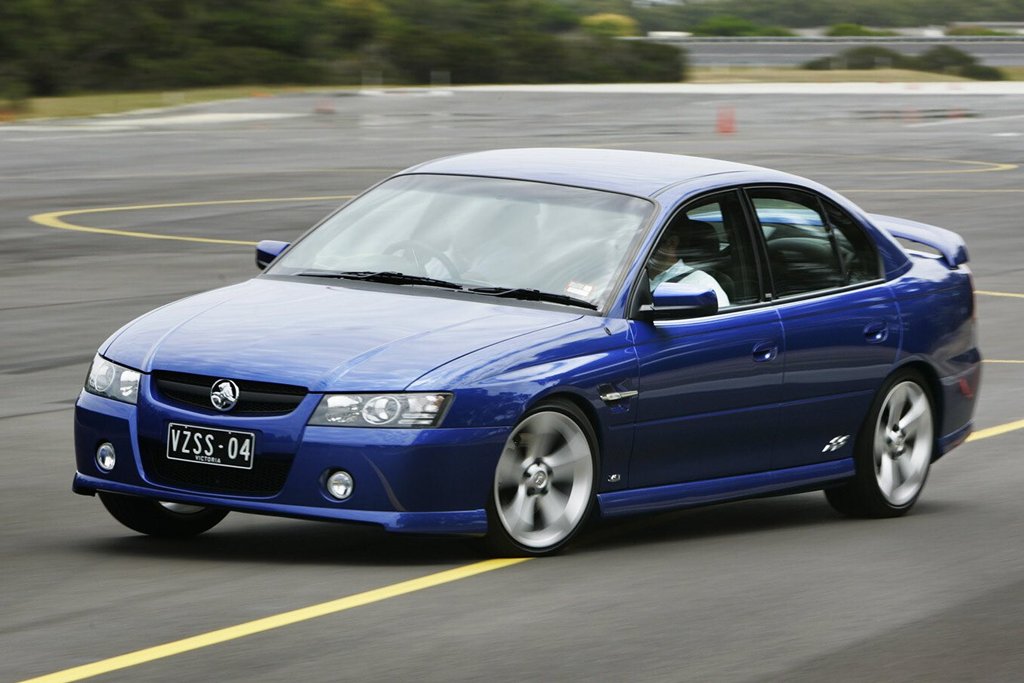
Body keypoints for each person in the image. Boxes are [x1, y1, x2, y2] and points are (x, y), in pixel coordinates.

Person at [647, 219, 730, 308]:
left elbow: (717, 320)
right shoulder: (634, 277)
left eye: (646, 242)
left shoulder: (702, 284)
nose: (633, 249)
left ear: (671, 243)